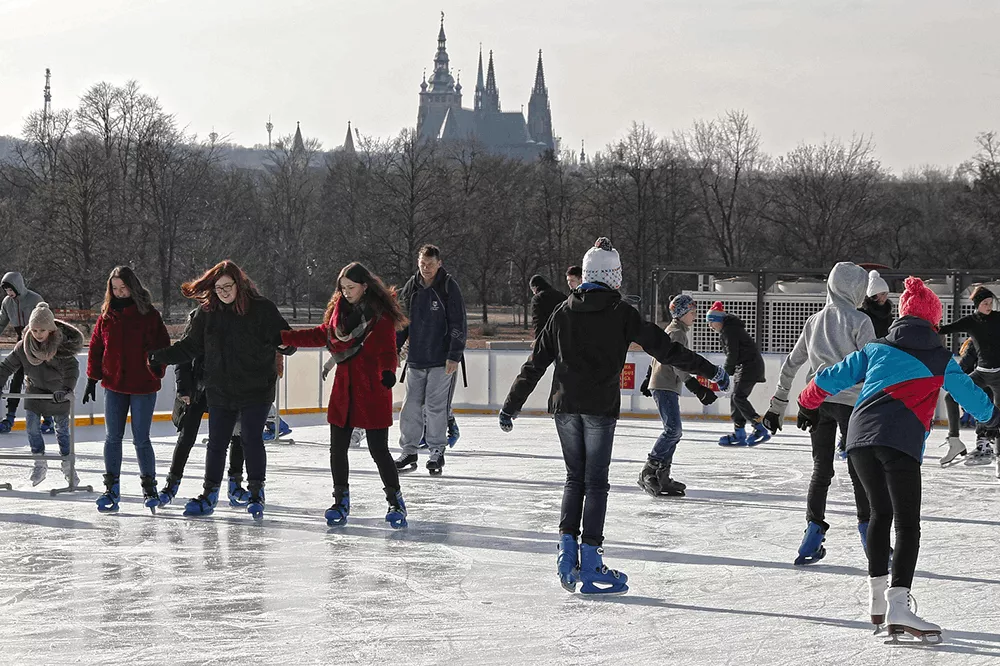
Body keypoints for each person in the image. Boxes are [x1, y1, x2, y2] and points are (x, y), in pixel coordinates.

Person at [499, 238, 729, 595]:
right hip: (599, 409)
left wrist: (511, 405)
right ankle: (591, 562)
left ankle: (566, 555)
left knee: (574, 479)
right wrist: (711, 371)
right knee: (595, 483)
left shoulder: (562, 312)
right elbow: (668, 350)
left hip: (565, 406)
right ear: (613, 277)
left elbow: (535, 363)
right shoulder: (621, 313)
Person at [798, 276, 998, 642]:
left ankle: (877, 599)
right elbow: (973, 398)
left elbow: (831, 376)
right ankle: (899, 606)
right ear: (933, 320)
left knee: (879, 514)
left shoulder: (877, 347)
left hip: (859, 439)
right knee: (907, 525)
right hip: (899, 442)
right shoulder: (939, 358)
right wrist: (993, 416)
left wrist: (806, 401)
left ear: (902, 316)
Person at [150, 261, 291, 521]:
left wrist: (285, 345)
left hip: (256, 389)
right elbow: (189, 347)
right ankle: (209, 494)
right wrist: (159, 356)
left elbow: (286, 339)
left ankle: (256, 493)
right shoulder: (207, 313)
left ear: (239, 284)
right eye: (218, 288)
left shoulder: (262, 309)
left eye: (228, 286)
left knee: (251, 439)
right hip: (220, 389)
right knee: (216, 443)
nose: (224, 292)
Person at [761, 262, 875, 565]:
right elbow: (872, 366)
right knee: (860, 472)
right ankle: (870, 536)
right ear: (856, 289)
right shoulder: (860, 320)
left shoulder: (814, 321)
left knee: (821, 469)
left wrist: (777, 406)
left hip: (817, 402)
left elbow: (791, 363)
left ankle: (812, 531)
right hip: (851, 404)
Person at [280, 262, 409, 528]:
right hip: (344, 391)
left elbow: (388, 351)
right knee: (337, 449)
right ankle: (340, 501)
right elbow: (321, 335)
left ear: (365, 286)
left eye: (351, 287)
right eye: (342, 288)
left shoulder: (380, 318)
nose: (346, 292)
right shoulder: (337, 315)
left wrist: (388, 371)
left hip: (372, 390)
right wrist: (285, 337)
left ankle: (395, 501)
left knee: (378, 450)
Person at [85, 267, 170, 514]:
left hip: (142, 385)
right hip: (114, 385)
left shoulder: (149, 315)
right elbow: (96, 346)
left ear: (133, 287)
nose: (120, 292)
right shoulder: (107, 315)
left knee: (141, 438)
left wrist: (154, 367)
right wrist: (92, 378)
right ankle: (111, 489)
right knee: (112, 437)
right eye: (115, 288)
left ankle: (149, 489)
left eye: (123, 288)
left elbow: (163, 345)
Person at [157, 307, 249, 508]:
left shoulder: (238, 316)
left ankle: (235, 484)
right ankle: (171, 484)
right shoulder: (198, 316)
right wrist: (183, 388)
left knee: (236, 435)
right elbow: (183, 356)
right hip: (198, 389)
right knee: (186, 437)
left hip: (228, 390)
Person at [394, 245, 466, 476]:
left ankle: (436, 450)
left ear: (439, 263)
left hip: (441, 360)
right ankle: (409, 450)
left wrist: (454, 355)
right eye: (422, 264)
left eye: (430, 264)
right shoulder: (412, 286)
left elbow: (458, 322)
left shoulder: (448, 286)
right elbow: (402, 322)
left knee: (435, 406)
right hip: (416, 359)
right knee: (411, 407)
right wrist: (395, 349)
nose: (426, 268)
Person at [637, 294, 717, 496]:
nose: (695, 316)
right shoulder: (677, 333)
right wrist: (696, 387)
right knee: (673, 430)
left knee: (674, 431)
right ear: (682, 313)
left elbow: (658, 353)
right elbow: (677, 363)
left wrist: (648, 377)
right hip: (664, 384)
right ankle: (649, 470)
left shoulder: (673, 330)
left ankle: (662, 476)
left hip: (664, 383)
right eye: (692, 312)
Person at [0, 303, 82, 486]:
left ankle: (68, 466)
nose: (38, 334)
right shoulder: (24, 347)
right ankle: (39, 462)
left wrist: (66, 389)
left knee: (62, 431)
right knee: (31, 427)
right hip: (35, 391)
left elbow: (72, 369)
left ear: (51, 329)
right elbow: (6, 366)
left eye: (42, 330)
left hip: (58, 392)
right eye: (34, 330)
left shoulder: (60, 346)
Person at [939, 285, 1000, 477]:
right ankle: (954, 440)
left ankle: (998, 456)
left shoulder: (998, 318)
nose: (989, 306)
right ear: (977, 304)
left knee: (997, 415)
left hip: (998, 375)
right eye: (985, 303)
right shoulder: (970, 322)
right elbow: (944, 329)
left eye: (990, 303)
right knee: (950, 397)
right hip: (980, 374)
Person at [706, 301, 769, 446]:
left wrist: (725, 374)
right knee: (735, 398)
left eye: (711, 322)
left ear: (719, 320)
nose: (710, 326)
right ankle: (739, 433)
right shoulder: (729, 329)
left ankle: (759, 427)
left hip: (749, 367)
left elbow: (732, 353)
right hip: (746, 366)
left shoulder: (729, 330)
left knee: (738, 397)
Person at [0, 271, 46, 434]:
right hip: (20, 343)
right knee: (16, 378)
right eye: (6, 290)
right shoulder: (7, 302)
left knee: (40, 379)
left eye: (11, 289)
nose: (9, 293)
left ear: (18, 287)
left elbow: (47, 320)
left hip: (38, 342)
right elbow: (1, 322)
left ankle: (48, 418)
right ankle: (10, 416)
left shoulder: (35, 299)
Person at [939, 338, 986, 466]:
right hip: (985, 382)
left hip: (985, 382)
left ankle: (981, 441)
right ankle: (983, 440)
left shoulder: (975, 341)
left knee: (951, 397)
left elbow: (963, 367)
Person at [529, 274, 566, 339]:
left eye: (532, 290)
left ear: (535, 287)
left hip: (547, 336)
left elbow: (538, 322)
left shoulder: (537, 299)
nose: (533, 293)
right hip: (562, 334)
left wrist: (538, 339)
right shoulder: (561, 296)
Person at [859, 270, 893, 338]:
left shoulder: (887, 311)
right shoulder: (862, 313)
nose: (885, 297)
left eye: (886, 294)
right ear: (873, 295)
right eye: (882, 294)